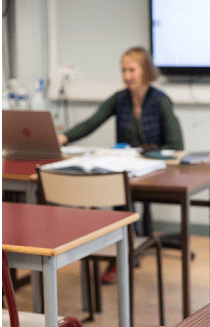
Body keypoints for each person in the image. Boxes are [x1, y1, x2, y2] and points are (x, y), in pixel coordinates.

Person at [59, 46, 185, 283]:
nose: (127, 76)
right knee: (116, 188)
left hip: (155, 169)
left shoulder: (160, 100)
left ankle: (126, 249)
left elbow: (176, 145)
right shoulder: (120, 99)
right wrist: (62, 138)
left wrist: (149, 154)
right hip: (125, 170)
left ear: (145, 71)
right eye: (123, 70)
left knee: (120, 190)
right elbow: (91, 123)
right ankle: (125, 248)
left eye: (131, 70)